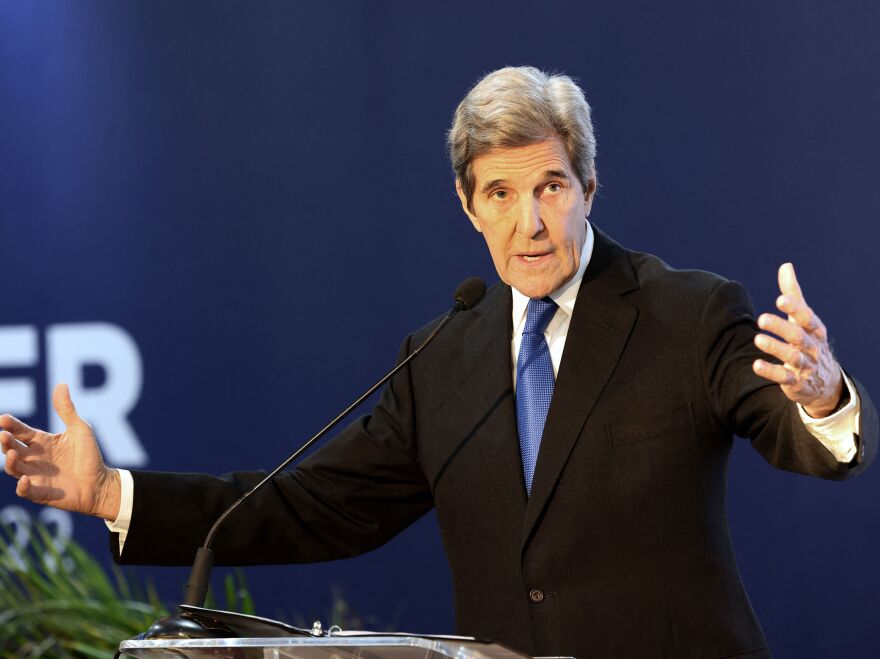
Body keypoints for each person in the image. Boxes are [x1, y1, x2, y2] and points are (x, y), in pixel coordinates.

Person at [1, 66, 875, 659]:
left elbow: (791, 425)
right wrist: (111, 493)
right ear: (468, 204)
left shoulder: (687, 312)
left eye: (551, 187)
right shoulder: (442, 355)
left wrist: (820, 393)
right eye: (501, 193)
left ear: (588, 188)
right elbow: (315, 507)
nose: (531, 222)